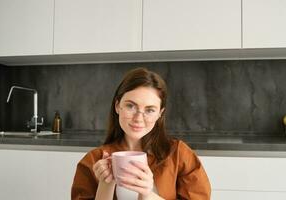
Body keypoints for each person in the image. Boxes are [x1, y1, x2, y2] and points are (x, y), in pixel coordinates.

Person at [71, 67, 211, 200]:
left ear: (160, 114)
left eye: (149, 110)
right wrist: (105, 185)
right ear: (117, 106)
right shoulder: (93, 161)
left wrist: (148, 195)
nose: (138, 118)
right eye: (130, 106)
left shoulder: (179, 155)